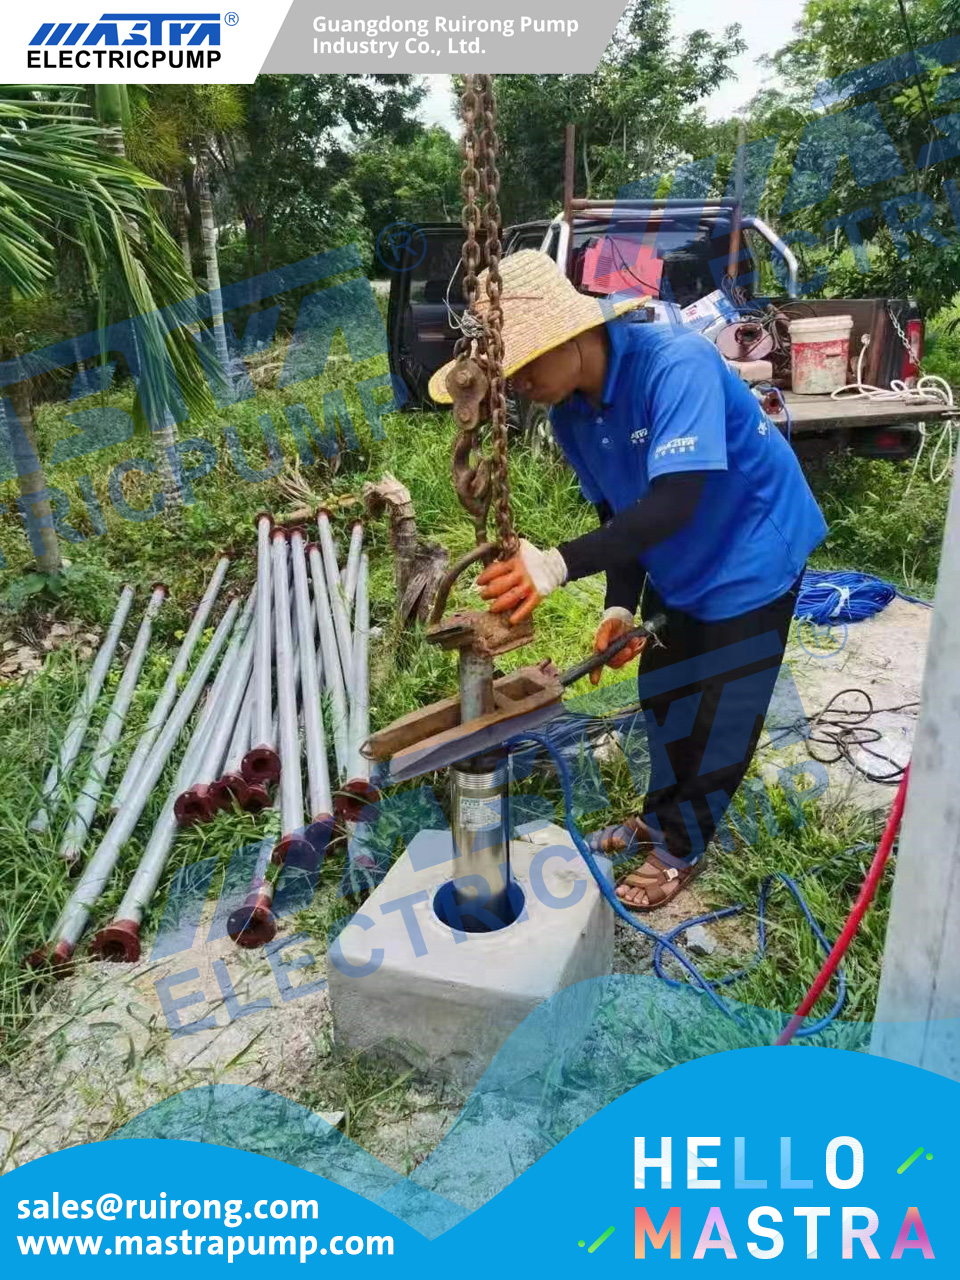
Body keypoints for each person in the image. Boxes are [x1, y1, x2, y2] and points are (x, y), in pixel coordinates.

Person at [429, 250, 826, 911]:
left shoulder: (677, 364)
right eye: (509, 372)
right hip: (678, 558)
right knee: (664, 695)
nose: (519, 382)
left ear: (575, 335)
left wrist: (554, 564)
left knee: (717, 711)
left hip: (752, 548)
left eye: (526, 363)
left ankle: (682, 846)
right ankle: (659, 814)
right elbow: (621, 510)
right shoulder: (570, 415)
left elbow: (673, 501)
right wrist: (619, 604)